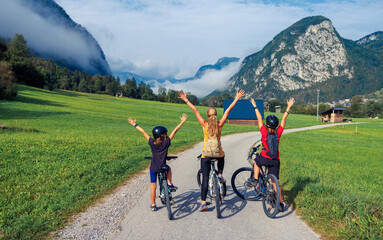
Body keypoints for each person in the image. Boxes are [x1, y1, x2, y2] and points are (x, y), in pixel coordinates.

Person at [178, 89, 245, 211]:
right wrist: (236, 98)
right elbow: (229, 110)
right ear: (216, 115)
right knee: (222, 156)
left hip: (206, 155)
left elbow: (195, 110)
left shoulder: (204, 124)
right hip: (218, 154)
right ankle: (219, 174)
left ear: (208, 116)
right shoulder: (220, 124)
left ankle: (203, 203)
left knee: (205, 180)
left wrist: (186, 99)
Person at [128, 113, 188, 211]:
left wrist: (134, 124)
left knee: (153, 186)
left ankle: (153, 205)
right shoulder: (166, 143)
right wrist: (182, 121)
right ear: (163, 135)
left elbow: (143, 132)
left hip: (153, 168)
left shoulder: (152, 143)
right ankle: (169, 183)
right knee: (169, 169)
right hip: (163, 167)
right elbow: (175, 131)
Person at [248, 97, 295, 212]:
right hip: (275, 160)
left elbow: (259, 118)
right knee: (275, 182)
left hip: (264, 158)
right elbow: (284, 119)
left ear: (267, 125)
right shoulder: (278, 132)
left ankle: (254, 179)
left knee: (256, 162)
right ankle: (279, 204)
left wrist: (255, 105)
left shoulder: (264, 131)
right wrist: (288, 106)